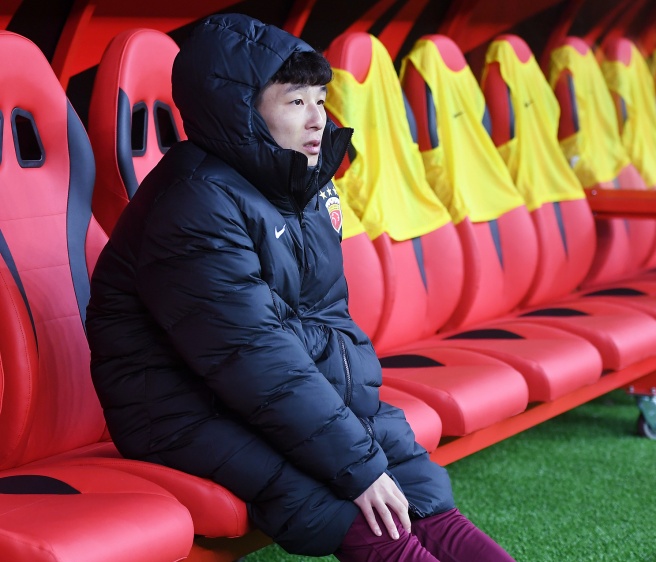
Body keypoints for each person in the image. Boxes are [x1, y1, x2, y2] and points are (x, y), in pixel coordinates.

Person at [86, 13, 515, 561]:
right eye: (295, 102)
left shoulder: (300, 182)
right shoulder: (193, 201)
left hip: (263, 393)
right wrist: (358, 465)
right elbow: (252, 354)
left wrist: (361, 422)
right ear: (240, 109)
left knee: (422, 494)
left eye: (320, 99)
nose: (318, 119)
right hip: (182, 410)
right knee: (356, 507)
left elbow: (327, 318)